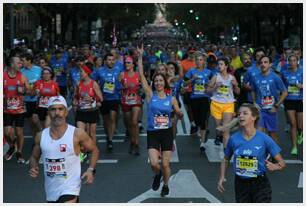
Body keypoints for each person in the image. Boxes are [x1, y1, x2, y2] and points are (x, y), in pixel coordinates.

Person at [29, 96, 99, 203]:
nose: (57, 113)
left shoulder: (77, 134)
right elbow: (34, 157)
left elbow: (94, 150)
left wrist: (90, 170)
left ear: (66, 112)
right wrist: (34, 167)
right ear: (48, 112)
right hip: (51, 190)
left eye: (60, 109)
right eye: (53, 109)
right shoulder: (41, 136)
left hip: (70, 188)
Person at [138, 44, 183, 197]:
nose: (158, 83)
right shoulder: (150, 95)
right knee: (154, 163)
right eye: (156, 81)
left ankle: (166, 184)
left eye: (160, 81)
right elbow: (142, 77)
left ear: (165, 83)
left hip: (166, 133)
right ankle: (157, 175)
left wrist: (179, 113)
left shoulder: (171, 98)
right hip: (152, 133)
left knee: (165, 164)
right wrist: (139, 58)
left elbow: (178, 111)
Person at [217, 103, 286, 203]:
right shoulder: (233, 139)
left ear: (254, 117)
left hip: (260, 184)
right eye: (239, 114)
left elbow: (282, 164)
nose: (241, 116)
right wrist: (222, 176)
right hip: (241, 184)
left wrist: (276, 167)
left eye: (245, 113)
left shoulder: (265, 139)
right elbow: (225, 159)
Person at [251, 56, 287, 144]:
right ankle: (262, 155)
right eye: (261, 63)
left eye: (265, 62)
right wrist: (254, 102)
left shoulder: (275, 77)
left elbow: (285, 92)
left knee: (272, 134)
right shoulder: (255, 77)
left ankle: (275, 154)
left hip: (271, 110)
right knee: (259, 133)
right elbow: (253, 90)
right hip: (260, 109)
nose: (263, 64)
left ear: (270, 64)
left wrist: (276, 106)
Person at [208, 57, 240, 153]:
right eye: (218, 64)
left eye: (221, 64)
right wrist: (215, 87)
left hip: (228, 104)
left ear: (226, 66)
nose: (219, 66)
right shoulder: (215, 77)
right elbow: (207, 91)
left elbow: (238, 92)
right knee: (219, 128)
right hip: (216, 104)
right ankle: (218, 135)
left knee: (226, 129)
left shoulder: (232, 78)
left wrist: (235, 85)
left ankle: (226, 151)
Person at [93, 53, 122, 151]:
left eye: (113, 59)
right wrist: (97, 95)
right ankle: (108, 135)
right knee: (106, 121)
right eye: (109, 60)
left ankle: (110, 139)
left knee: (113, 117)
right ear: (105, 61)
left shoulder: (119, 70)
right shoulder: (99, 71)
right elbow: (93, 83)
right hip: (104, 99)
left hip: (115, 97)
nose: (111, 61)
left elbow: (123, 81)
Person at [184, 52, 213, 153]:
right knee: (197, 121)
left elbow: (212, 84)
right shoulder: (191, 71)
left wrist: (209, 85)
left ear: (204, 61)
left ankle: (202, 143)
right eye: (197, 60)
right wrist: (193, 79)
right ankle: (200, 130)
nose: (199, 62)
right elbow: (185, 83)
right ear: (195, 61)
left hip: (204, 98)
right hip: (194, 97)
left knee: (203, 119)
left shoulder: (209, 72)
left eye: (201, 60)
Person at [4, 56, 31, 163]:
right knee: (6, 132)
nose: (20, 65)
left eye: (21, 63)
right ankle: (12, 146)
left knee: (19, 132)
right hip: (7, 109)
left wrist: (24, 90)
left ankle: (19, 152)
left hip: (20, 110)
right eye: (18, 63)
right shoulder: (3, 76)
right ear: (12, 64)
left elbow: (30, 91)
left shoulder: (23, 77)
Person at [73, 65, 103, 144]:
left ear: (87, 73)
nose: (80, 74)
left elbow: (101, 98)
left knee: (91, 134)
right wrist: (75, 101)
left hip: (92, 111)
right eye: (79, 72)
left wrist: (92, 99)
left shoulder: (93, 84)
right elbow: (75, 96)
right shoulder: (78, 83)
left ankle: (93, 150)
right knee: (81, 132)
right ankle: (83, 151)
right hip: (81, 111)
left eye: (81, 72)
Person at [119, 56, 142, 155]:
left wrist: (139, 88)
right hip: (126, 101)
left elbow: (143, 85)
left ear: (133, 64)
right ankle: (132, 141)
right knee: (129, 124)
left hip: (136, 101)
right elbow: (115, 87)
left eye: (129, 62)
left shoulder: (138, 75)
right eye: (126, 62)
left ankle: (136, 143)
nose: (127, 64)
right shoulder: (122, 75)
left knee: (134, 121)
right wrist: (122, 87)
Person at [280, 54, 303, 155]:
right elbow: (281, 86)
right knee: (293, 124)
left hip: (300, 100)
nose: (292, 62)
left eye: (294, 60)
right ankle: (294, 147)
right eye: (290, 61)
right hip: (289, 100)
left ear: (297, 61)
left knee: (300, 125)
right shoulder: (284, 73)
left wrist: (301, 85)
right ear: (288, 62)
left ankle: (300, 132)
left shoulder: (302, 71)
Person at [21, 53, 42, 139]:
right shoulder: (21, 71)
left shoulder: (39, 69)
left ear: (29, 60)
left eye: (23, 60)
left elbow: (45, 80)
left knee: (35, 119)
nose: (21, 62)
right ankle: (36, 141)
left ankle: (43, 137)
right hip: (26, 100)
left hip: (37, 99)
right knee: (31, 123)